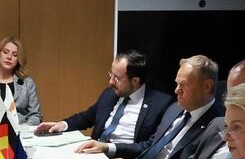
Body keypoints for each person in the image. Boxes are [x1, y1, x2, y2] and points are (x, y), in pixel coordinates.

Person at [97, 55, 222, 159]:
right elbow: (149, 145)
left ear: (207, 86)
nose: (176, 90)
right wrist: (107, 147)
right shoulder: (175, 108)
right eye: (177, 84)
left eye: (183, 85)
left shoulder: (215, 128)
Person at [36, 50, 175, 142]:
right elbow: (87, 117)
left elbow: (149, 146)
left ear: (135, 81)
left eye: (117, 78)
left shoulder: (160, 104)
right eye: (111, 75)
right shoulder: (110, 94)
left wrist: (109, 148)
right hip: (95, 155)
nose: (111, 82)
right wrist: (62, 124)